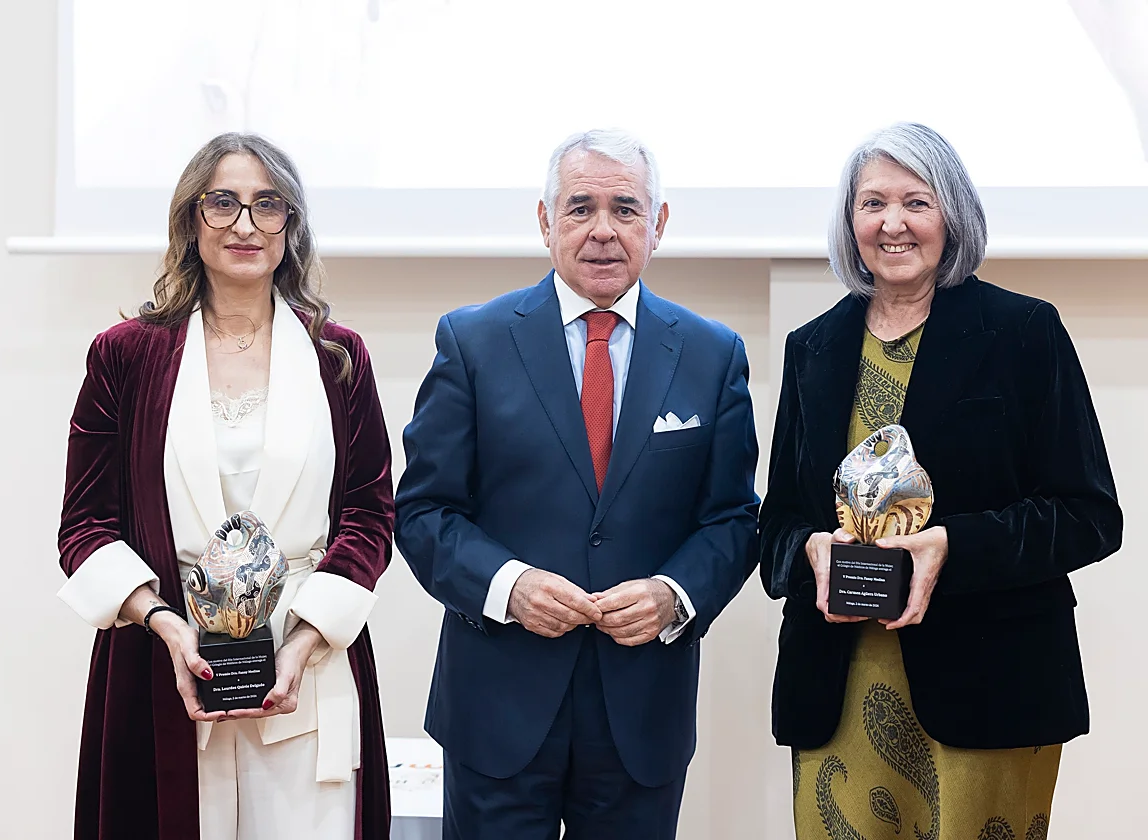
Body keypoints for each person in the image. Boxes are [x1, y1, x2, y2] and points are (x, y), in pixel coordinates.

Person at [758, 122, 1123, 839]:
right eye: (872, 203)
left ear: (952, 214)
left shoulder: (1023, 331)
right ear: (850, 220)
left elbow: (1088, 515)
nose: (892, 223)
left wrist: (949, 545)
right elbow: (776, 523)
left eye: (916, 201)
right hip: (838, 687)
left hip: (990, 687)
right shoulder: (813, 348)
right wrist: (810, 551)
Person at [394, 128, 759, 839]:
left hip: (640, 713)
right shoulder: (471, 341)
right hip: (497, 708)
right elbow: (424, 512)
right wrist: (508, 586)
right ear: (544, 221)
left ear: (658, 225)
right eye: (580, 207)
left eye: (625, 209)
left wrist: (672, 596)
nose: (602, 230)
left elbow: (733, 520)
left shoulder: (713, 354)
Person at [56, 133, 394, 840]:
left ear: (290, 226)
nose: (245, 224)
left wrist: (302, 642)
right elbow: (85, 525)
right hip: (167, 666)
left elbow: (368, 514)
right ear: (190, 219)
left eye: (267, 205)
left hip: (310, 665)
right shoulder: (125, 355)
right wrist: (163, 622)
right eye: (223, 203)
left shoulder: (340, 357)